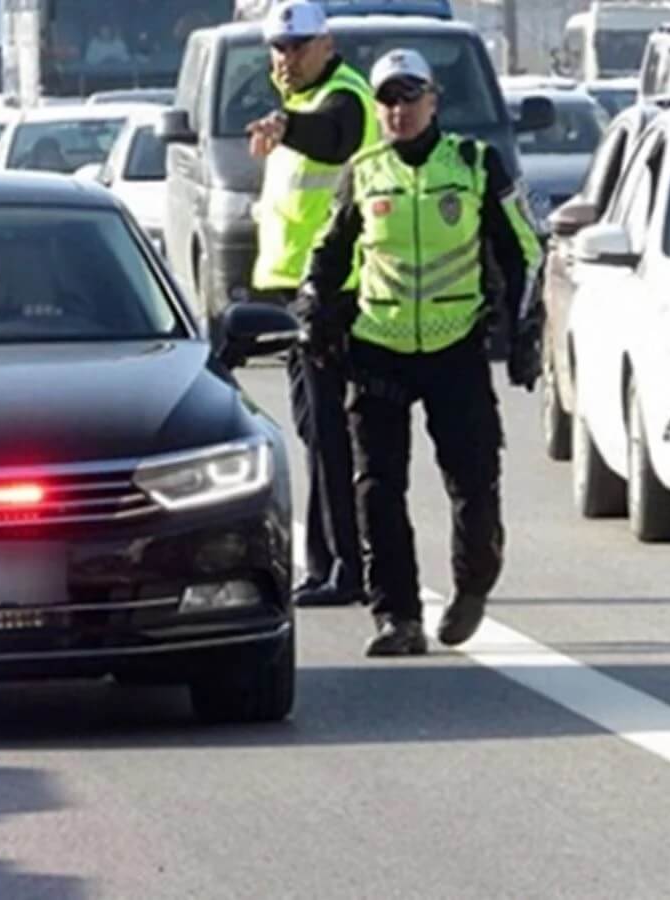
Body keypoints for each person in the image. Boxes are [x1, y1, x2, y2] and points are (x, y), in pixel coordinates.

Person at [298, 48, 543, 656]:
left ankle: (473, 583)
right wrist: (314, 311)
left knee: (474, 480)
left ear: (433, 100)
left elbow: (525, 251)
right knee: (377, 487)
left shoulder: (474, 163)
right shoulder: (363, 171)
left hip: (455, 347)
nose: (398, 110)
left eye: (410, 96)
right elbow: (326, 255)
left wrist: (523, 333)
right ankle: (397, 616)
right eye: (387, 99)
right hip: (378, 348)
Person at [246, 1, 380, 609]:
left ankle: (346, 567)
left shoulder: (343, 97)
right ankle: (328, 561)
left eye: (298, 46)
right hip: (298, 295)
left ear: (326, 44)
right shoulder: (300, 103)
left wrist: (287, 127)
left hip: (337, 294)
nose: (286, 58)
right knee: (315, 431)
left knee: (331, 433)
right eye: (278, 48)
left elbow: (333, 139)